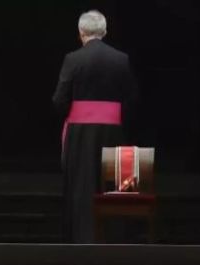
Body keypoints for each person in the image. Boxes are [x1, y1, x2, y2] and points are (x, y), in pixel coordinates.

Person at [53, 10, 137, 244]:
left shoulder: (73, 59)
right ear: (104, 32)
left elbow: (59, 99)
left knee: (81, 185)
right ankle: (115, 237)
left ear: (81, 33)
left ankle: (81, 237)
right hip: (113, 130)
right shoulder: (121, 59)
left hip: (80, 132)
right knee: (112, 184)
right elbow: (131, 97)